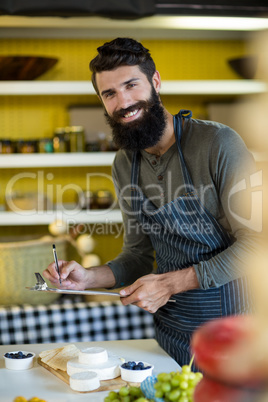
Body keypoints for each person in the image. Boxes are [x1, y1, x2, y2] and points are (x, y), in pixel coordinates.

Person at [43, 37, 259, 368]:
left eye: (131, 85)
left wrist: (172, 282)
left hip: (236, 333)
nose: (124, 101)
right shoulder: (124, 164)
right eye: (110, 93)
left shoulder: (218, 143)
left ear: (155, 81)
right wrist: (88, 278)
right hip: (171, 334)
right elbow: (138, 255)